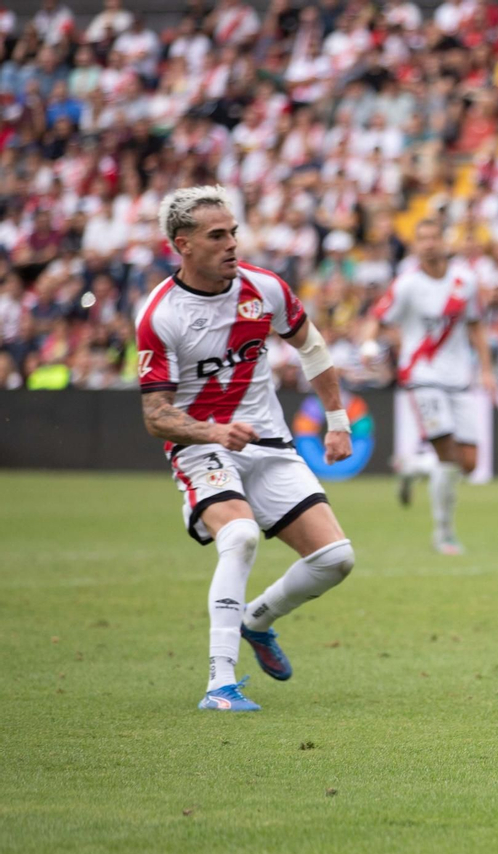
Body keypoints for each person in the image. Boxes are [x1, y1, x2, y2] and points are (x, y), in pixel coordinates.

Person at [136, 185, 356, 712]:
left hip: (269, 442)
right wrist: (213, 433)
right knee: (238, 535)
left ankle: (257, 620)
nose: (232, 243)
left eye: (233, 231)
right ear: (183, 245)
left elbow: (311, 345)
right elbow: (155, 415)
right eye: (218, 235)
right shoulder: (161, 314)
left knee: (336, 560)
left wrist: (337, 420)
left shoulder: (264, 288)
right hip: (201, 448)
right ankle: (220, 683)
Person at [362, 219, 494, 554]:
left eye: (434, 237)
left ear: (443, 241)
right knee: (448, 456)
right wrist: (367, 347)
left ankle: (412, 466)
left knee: (469, 463)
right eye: (422, 238)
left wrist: (488, 371)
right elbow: (377, 319)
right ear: (415, 244)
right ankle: (444, 533)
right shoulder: (407, 285)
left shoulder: (465, 281)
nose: (428, 244)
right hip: (421, 376)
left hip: (460, 378)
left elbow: (476, 326)